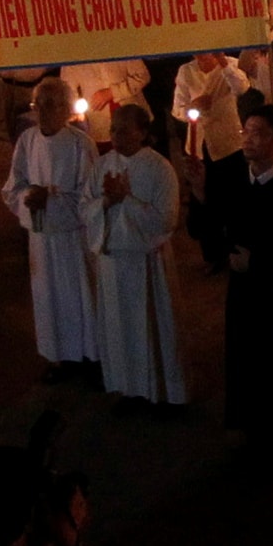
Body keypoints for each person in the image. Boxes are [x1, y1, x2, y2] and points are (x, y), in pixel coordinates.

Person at [204, 103, 273, 454]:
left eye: (258, 133)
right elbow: (215, 228)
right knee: (243, 356)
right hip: (241, 290)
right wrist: (197, 193)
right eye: (246, 131)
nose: (248, 140)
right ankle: (249, 428)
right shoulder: (235, 177)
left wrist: (260, 260)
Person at [1, 77, 103, 382]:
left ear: (66, 109)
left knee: (80, 296)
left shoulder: (79, 144)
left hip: (72, 238)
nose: (43, 111)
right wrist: (26, 198)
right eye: (38, 104)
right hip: (42, 239)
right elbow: (13, 186)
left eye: (51, 104)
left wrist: (52, 199)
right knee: (49, 299)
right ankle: (58, 356)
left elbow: (90, 195)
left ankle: (89, 356)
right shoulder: (28, 141)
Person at [87, 102, 186, 410]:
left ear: (143, 132)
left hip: (147, 264)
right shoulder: (102, 166)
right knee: (120, 333)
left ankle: (163, 394)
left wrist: (126, 201)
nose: (116, 135)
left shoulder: (159, 168)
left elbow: (166, 220)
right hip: (114, 263)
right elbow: (84, 208)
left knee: (154, 333)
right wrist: (105, 203)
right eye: (113, 129)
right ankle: (129, 390)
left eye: (124, 130)